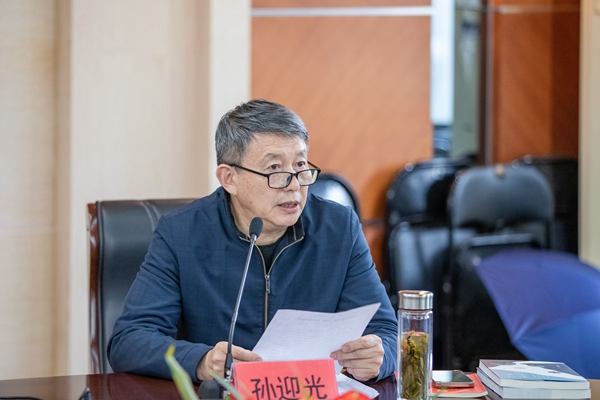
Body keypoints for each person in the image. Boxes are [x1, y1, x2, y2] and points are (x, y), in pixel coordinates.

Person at [107, 99, 397, 383]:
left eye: (300, 165)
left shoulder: (338, 228)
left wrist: (378, 358)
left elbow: (387, 331)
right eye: (275, 169)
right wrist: (202, 361)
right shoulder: (181, 233)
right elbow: (129, 340)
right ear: (229, 178)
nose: (294, 185)